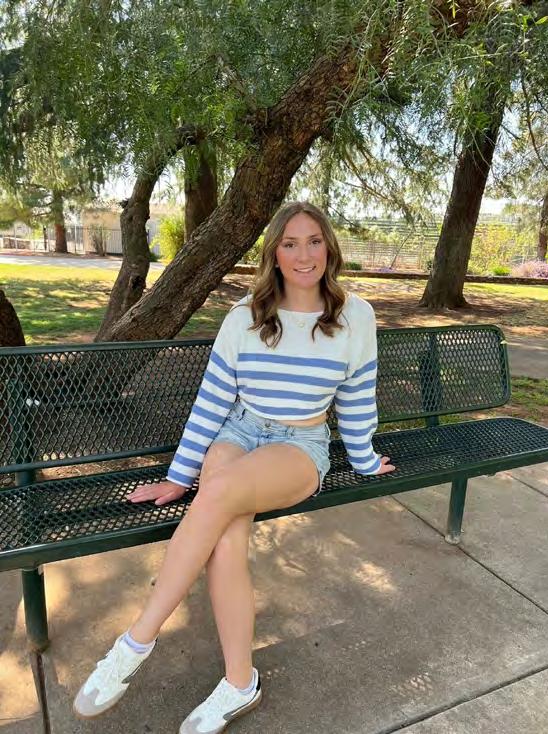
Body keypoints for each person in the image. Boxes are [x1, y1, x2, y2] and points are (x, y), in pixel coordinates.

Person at [73, 201, 396, 732]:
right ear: (274, 253)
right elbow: (212, 400)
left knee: (218, 495)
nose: (304, 254)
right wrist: (178, 476)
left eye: (314, 241)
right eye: (289, 243)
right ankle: (240, 684)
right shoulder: (245, 316)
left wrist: (362, 458)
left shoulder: (354, 316)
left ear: (329, 247)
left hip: (300, 444)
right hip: (238, 431)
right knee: (224, 534)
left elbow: (359, 396)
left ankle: (134, 644)